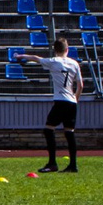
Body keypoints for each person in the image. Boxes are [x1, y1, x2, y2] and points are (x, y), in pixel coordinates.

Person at [13, 34, 85, 173]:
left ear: (55, 49)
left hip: (60, 101)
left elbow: (36, 58)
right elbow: (80, 85)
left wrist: (21, 56)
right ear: (67, 49)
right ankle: (73, 165)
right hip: (71, 102)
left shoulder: (53, 61)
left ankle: (52, 163)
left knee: (48, 129)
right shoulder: (74, 63)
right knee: (69, 133)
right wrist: (76, 99)